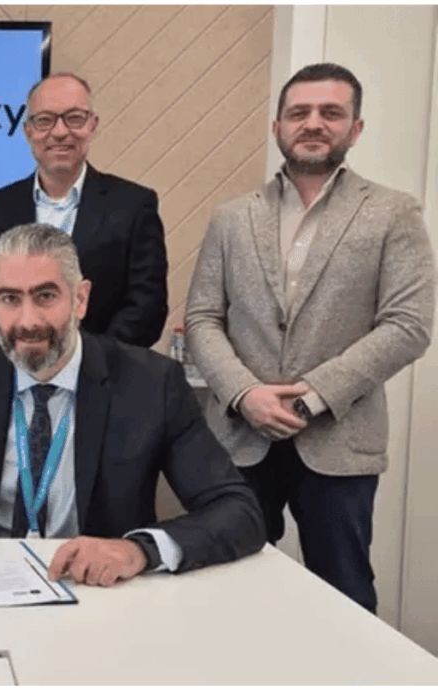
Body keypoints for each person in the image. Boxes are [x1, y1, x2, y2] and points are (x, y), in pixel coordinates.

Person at [0, 223, 264, 586]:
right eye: (10, 299)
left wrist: (137, 551)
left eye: (45, 296)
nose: (28, 321)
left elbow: (237, 510)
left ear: (80, 299)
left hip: (99, 586)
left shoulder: (150, 384)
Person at [185, 63, 436, 613]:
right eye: (299, 112)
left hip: (340, 442)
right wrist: (245, 394)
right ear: (277, 126)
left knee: (344, 593)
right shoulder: (232, 218)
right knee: (229, 592)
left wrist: (312, 396)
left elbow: (408, 325)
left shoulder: (393, 213)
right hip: (241, 436)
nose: (313, 123)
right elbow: (202, 318)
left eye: (330, 112)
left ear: (355, 127)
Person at [0, 72, 167, 348]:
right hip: (12, 368)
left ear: (92, 125)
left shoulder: (134, 206)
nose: (59, 132)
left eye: (74, 118)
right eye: (45, 120)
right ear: (28, 131)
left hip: (105, 369)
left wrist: (86, 363)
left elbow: (147, 307)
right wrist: (15, 360)